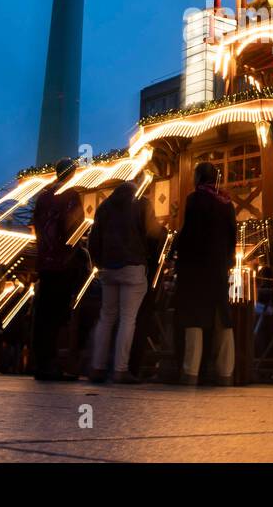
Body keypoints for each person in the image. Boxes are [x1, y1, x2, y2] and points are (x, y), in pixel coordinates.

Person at [88, 179, 160, 383]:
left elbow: (94, 239)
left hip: (108, 268)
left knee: (107, 317)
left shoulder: (104, 206)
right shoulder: (141, 203)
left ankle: (97, 367)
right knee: (128, 319)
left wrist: (98, 262)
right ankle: (120, 369)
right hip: (133, 267)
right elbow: (153, 232)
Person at [173, 162, 237, 386]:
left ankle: (191, 371)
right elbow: (232, 238)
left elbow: (189, 232)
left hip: (196, 267)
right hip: (218, 267)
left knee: (194, 317)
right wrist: (227, 262)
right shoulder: (227, 203)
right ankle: (226, 371)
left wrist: (176, 253)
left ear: (199, 177)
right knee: (222, 317)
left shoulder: (195, 199)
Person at [30, 157, 85, 381]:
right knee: (58, 314)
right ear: (71, 173)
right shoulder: (70, 195)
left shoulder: (43, 196)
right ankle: (52, 363)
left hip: (44, 262)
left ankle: (41, 362)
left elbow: (35, 226)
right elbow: (74, 229)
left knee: (43, 314)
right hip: (63, 263)